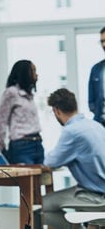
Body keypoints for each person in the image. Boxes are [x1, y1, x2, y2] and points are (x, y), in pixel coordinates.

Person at [42, 88, 105, 228]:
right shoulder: (96, 126)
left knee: (42, 206)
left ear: (56, 111)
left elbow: (50, 162)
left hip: (96, 196)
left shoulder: (72, 131)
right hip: (97, 190)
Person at [0, 59, 43, 164]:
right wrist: (2, 147)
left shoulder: (29, 95)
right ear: (25, 73)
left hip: (37, 144)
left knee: (43, 179)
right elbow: (0, 121)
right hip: (22, 146)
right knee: (26, 179)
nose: (37, 75)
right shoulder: (11, 93)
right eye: (33, 71)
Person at [88, 26, 105, 126]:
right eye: (102, 41)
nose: (104, 44)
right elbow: (91, 99)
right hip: (100, 122)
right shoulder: (96, 69)